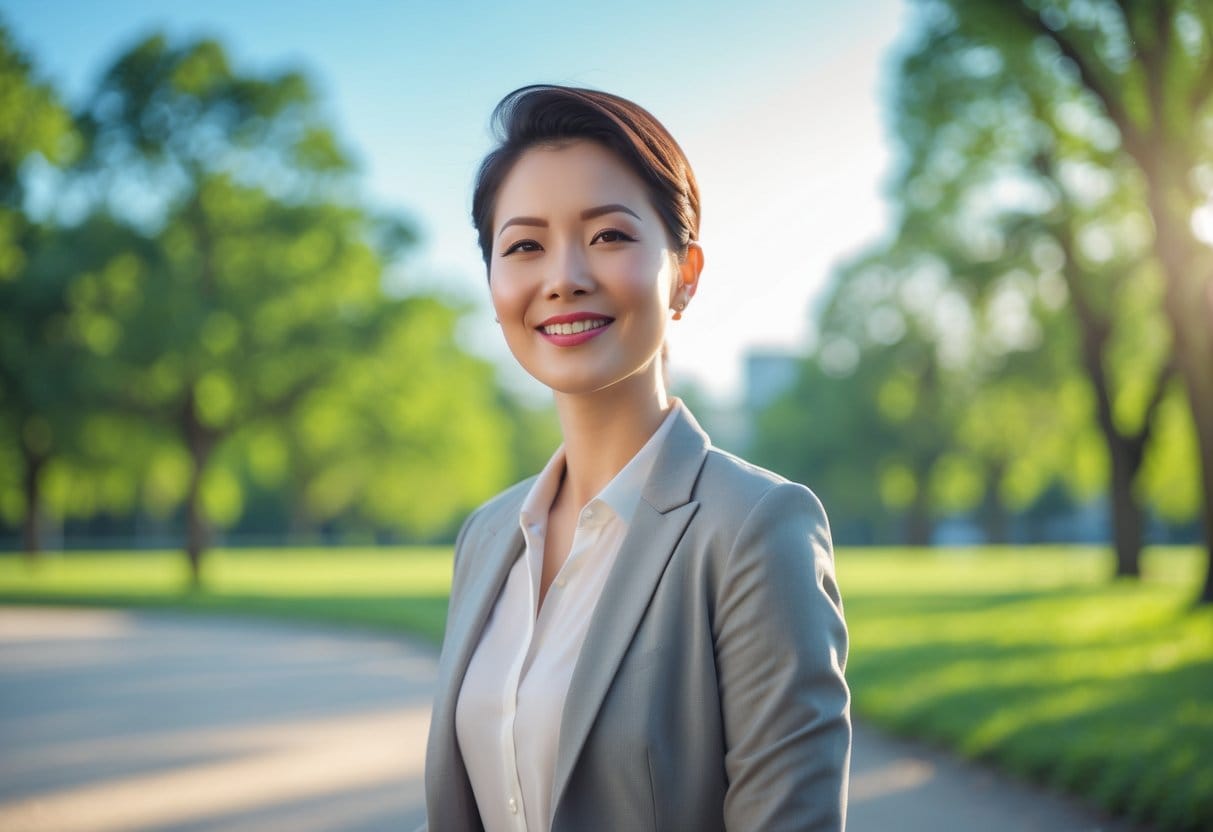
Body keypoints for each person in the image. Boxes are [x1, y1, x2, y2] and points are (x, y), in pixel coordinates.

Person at [422, 84, 851, 832]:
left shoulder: (755, 529)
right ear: (493, 284)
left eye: (608, 235)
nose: (563, 277)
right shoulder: (487, 536)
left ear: (685, 273)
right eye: (524, 246)